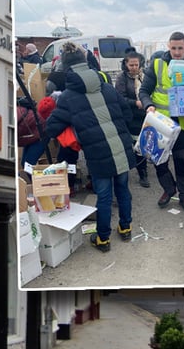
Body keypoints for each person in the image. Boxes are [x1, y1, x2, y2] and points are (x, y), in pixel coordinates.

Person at [43, 42, 135, 252]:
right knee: (123, 189)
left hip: (98, 153)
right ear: (87, 63)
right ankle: (125, 227)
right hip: (120, 148)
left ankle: (103, 238)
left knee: (103, 195)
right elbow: (127, 114)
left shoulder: (67, 98)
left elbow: (51, 127)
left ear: (65, 69)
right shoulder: (107, 87)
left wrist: (75, 130)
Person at [138, 31, 184, 212]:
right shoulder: (157, 65)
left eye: (180, 48)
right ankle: (168, 189)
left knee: (182, 161)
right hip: (161, 125)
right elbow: (144, 91)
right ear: (169, 46)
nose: (176, 52)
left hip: (182, 126)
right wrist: (148, 105)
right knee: (159, 161)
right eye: (173, 48)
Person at [115, 50, 149, 187]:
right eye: (131, 65)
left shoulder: (145, 76)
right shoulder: (122, 78)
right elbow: (120, 97)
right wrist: (135, 103)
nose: (134, 68)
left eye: (136, 65)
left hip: (145, 114)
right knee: (134, 144)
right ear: (126, 64)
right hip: (130, 115)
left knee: (143, 144)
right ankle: (139, 171)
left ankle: (143, 172)